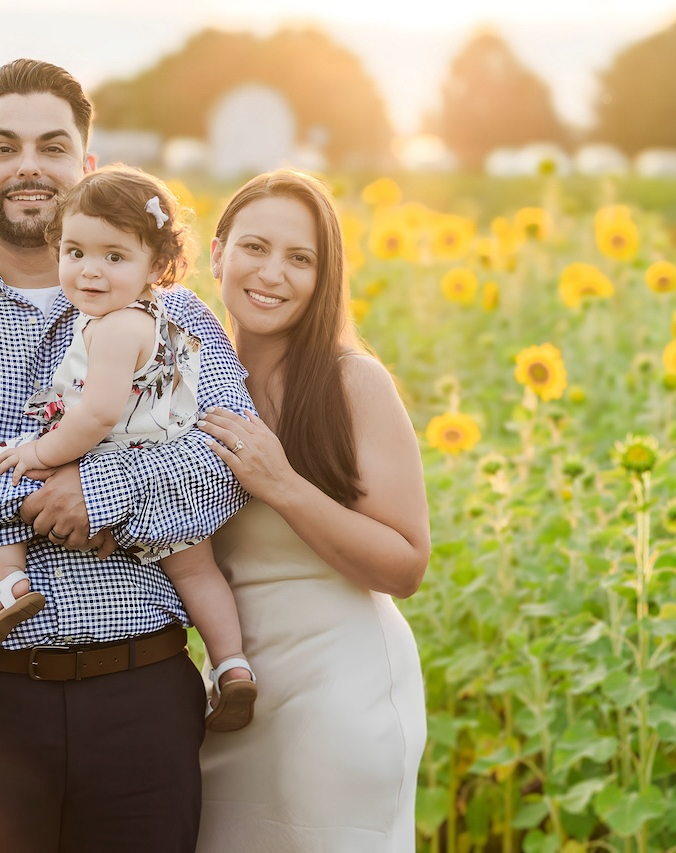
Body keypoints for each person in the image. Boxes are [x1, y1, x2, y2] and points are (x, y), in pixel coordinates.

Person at [0, 59, 252, 852]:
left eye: (52, 146)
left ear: (87, 168)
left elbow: (230, 453)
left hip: (137, 694)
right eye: (4, 146)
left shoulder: (177, 314)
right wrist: (42, 498)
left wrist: (99, 490)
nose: (28, 165)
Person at [0, 165, 257, 732]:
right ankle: (231, 664)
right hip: (159, 459)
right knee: (197, 573)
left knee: (8, 475)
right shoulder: (152, 316)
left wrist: (42, 453)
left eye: (114, 257)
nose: (90, 271)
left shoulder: (115, 328)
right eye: (74, 252)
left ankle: (5, 585)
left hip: (111, 449)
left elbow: (98, 414)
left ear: (156, 266)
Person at [194, 169, 429, 852]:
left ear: (325, 277)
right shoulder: (183, 380)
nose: (273, 273)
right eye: (256, 247)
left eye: (301, 259)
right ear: (217, 254)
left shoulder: (352, 381)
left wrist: (283, 483)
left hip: (340, 688)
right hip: (232, 690)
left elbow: (406, 563)